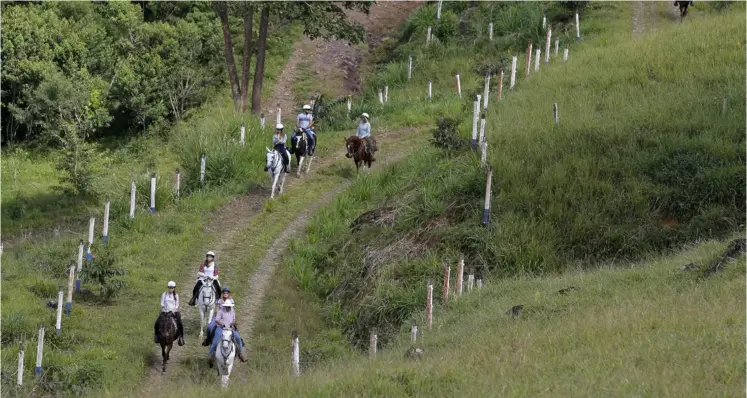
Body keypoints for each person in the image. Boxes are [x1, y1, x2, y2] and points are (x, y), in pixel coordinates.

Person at [154, 281, 185, 346]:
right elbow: (162, 303)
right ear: (168, 288)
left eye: (172, 288)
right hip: (165, 311)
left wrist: (175, 309)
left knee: (180, 323)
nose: (171, 289)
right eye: (169, 288)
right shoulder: (164, 294)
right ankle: (156, 336)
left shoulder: (176, 295)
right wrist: (163, 307)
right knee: (157, 323)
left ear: (174, 288)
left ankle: (181, 337)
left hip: (173, 312)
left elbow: (177, 304)